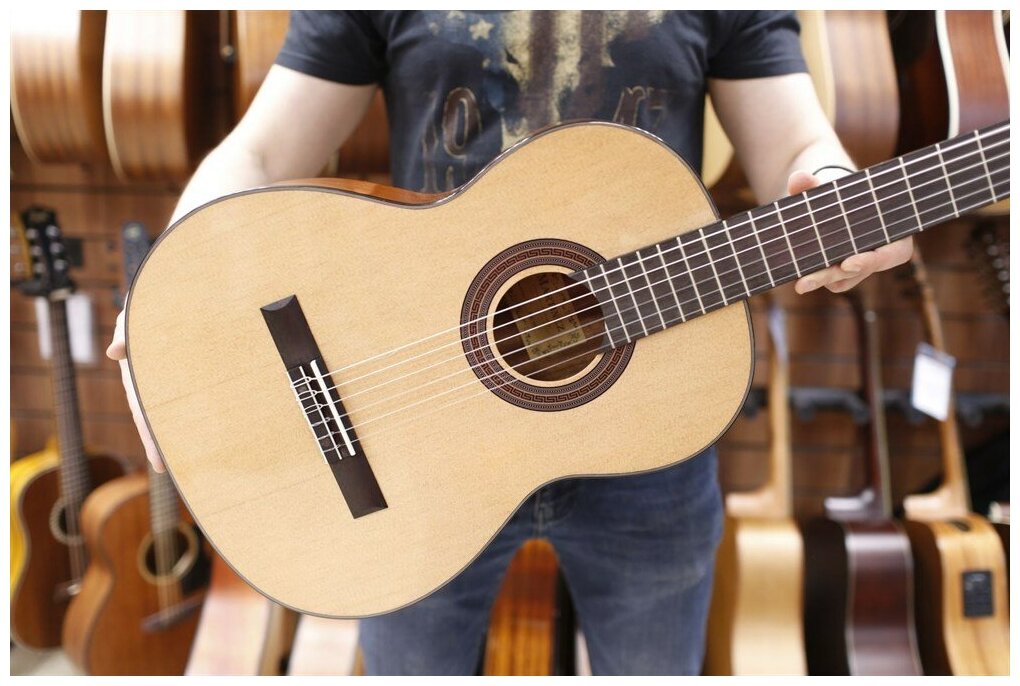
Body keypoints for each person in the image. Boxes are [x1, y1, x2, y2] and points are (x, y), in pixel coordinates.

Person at [107, 10, 913, 675]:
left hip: (651, 427)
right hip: (407, 439)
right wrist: (162, 302)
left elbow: (796, 150)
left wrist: (833, 191)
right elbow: (259, 151)